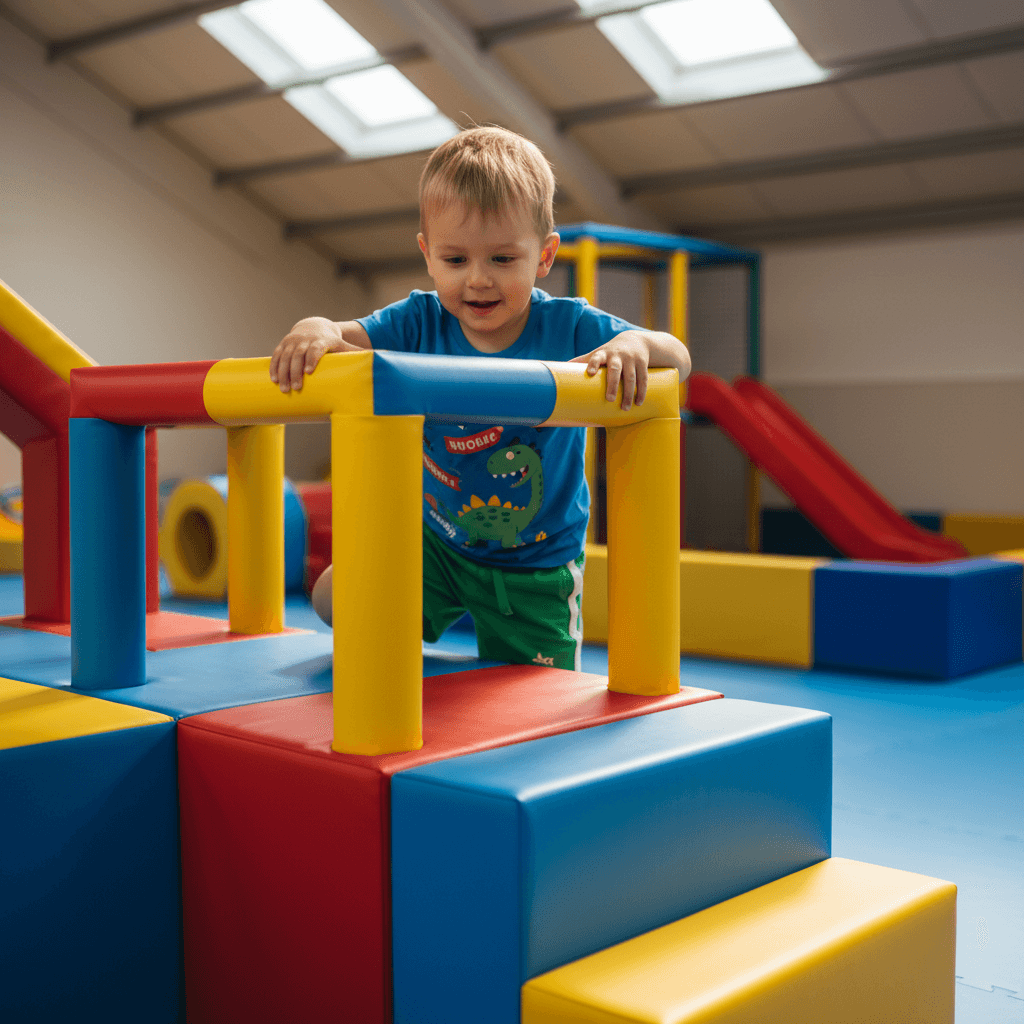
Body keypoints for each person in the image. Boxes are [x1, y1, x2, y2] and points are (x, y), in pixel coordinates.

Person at [269, 126, 690, 671]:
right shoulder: (419, 321)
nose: (478, 281)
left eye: (502, 259)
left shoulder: (569, 327)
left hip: (535, 562)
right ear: (427, 255)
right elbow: (340, 335)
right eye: (456, 260)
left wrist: (635, 342)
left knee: (539, 700)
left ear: (543, 256)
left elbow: (676, 357)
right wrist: (314, 326)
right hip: (436, 544)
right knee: (334, 596)